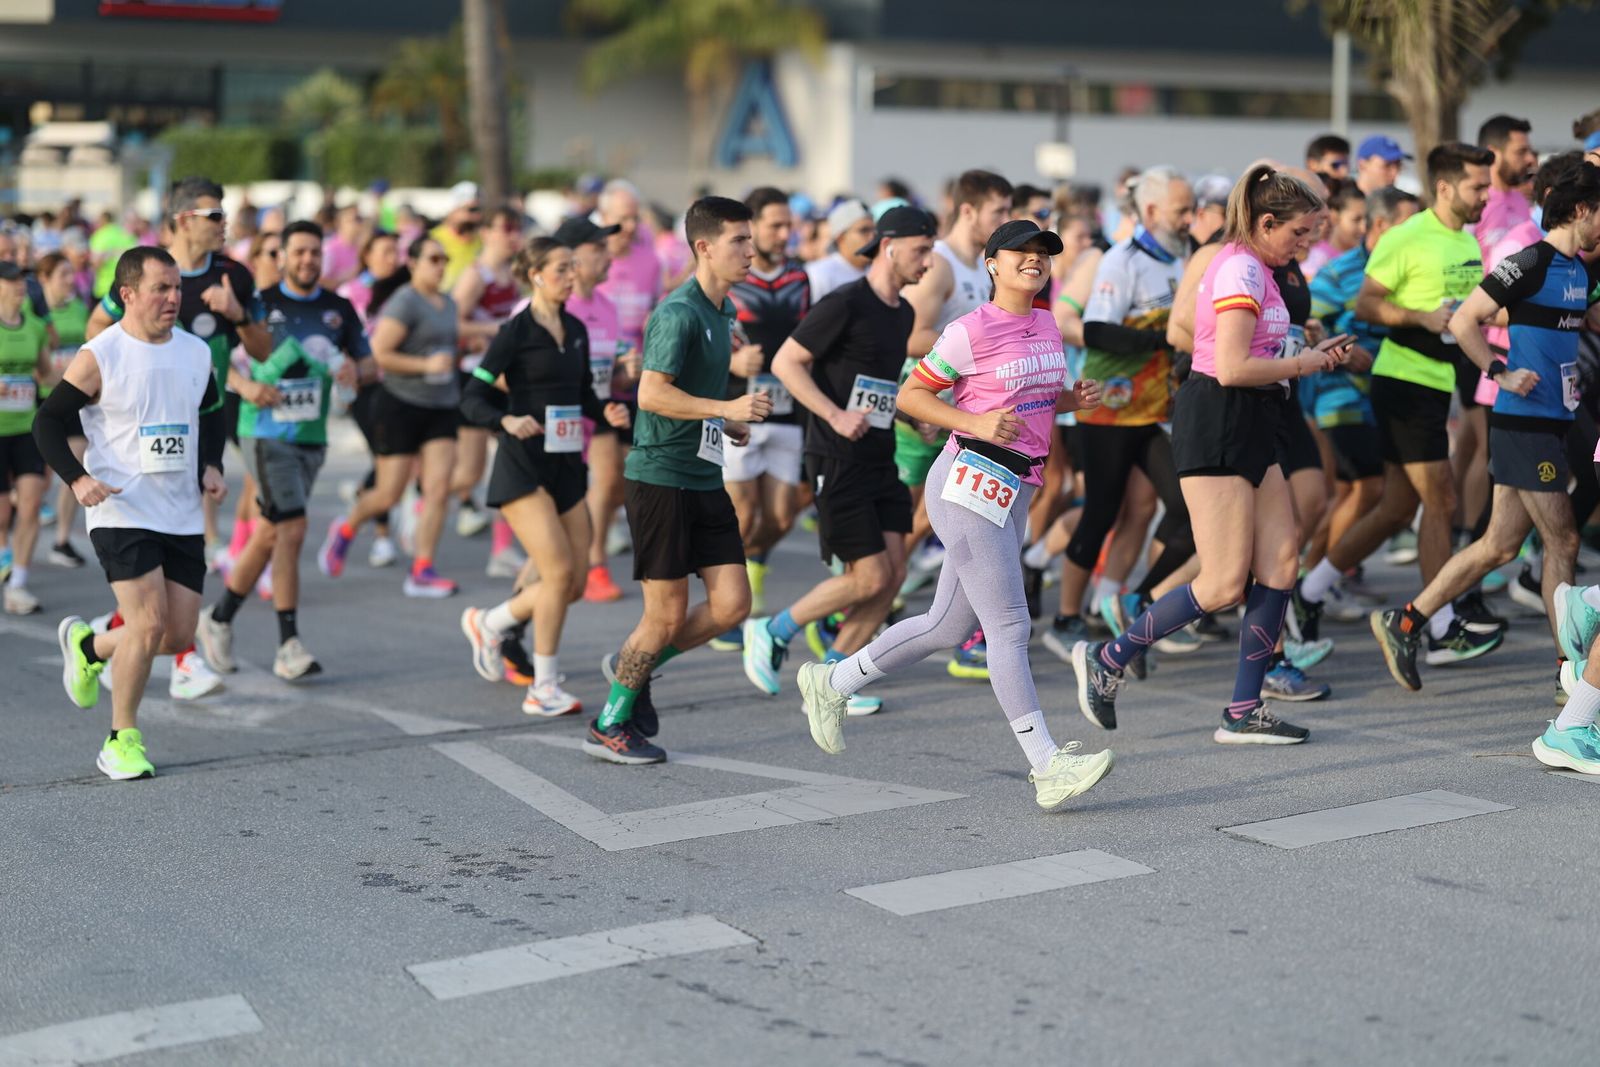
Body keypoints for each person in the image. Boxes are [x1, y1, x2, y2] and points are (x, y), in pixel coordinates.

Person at [794, 218, 1115, 811]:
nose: (1035, 260)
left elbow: (1036, 400)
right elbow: (913, 395)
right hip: (966, 483)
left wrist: (1073, 400)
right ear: (992, 263)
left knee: (945, 626)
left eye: (1044, 253)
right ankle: (1046, 765)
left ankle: (831, 682)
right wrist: (973, 422)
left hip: (1017, 485)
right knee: (1010, 626)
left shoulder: (1045, 323)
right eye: (1021, 252)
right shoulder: (970, 330)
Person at [1072, 165, 1351, 745]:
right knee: (1223, 583)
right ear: (1266, 222)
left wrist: (1309, 348)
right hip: (1219, 419)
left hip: (1256, 421)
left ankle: (1243, 709)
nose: (1306, 247)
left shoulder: (1266, 268)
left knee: (1280, 564)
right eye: (1299, 234)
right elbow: (1230, 366)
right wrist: (1306, 364)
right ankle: (1109, 655)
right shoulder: (1241, 266)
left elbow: (1262, 350)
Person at [1372, 157, 1600, 692]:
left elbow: (1588, 318)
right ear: (1583, 210)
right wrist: (1500, 371)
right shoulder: (1529, 262)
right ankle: (1571, 669)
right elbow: (1462, 318)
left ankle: (1405, 620)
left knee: (1499, 545)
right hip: (1522, 421)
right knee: (1563, 541)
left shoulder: (1579, 271)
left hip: (1553, 419)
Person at [588, 196, 772, 765]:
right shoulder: (679, 312)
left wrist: (724, 422)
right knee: (665, 615)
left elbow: (691, 402)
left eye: (750, 239)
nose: (751, 250)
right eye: (739, 241)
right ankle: (610, 721)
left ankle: (633, 665)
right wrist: (728, 405)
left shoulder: (724, 313)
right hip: (661, 478)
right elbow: (651, 393)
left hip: (703, 474)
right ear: (704, 247)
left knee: (732, 605)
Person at [1295, 144, 1496, 660]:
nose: (1486, 194)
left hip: (1437, 383)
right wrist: (1420, 318)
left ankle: (1309, 592)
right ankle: (1437, 625)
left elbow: (1469, 313)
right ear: (1447, 187)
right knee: (1442, 500)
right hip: (1404, 383)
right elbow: (1365, 302)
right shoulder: (1407, 235)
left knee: (1395, 507)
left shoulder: (1465, 240)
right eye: (1478, 185)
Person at [36, 247, 228, 779]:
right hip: (120, 508)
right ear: (128, 294)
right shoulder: (102, 354)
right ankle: (121, 739)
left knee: (177, 636)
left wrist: (211, 464)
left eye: (177, 288)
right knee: (147, 623)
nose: (173, 298)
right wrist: (78, 479)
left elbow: (213, 413)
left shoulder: (195, 351)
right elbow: (47, 423)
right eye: (160, 289)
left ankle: (90, 646)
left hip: (182, 513)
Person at [744, 206, 937, 710]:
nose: (929, 261)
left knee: (891, 578)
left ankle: (830, 682)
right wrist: (831, 415)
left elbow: (876, 388)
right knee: (868, 576)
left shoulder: (904, 313)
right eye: (922, 249)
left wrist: (912, 417)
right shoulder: (844, 302)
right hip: (835, 455)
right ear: (890, 246)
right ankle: (771, 628)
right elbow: (787, 362)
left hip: (880, 456)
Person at [459, 237, 632, 715]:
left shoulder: (575, 329)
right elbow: (471, 396)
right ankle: (544, 687)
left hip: (565, 463)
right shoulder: (515, 332)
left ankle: (490, 623)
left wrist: (609, 410)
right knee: (556, 573)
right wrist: (505, 420)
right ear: (535, 275)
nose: (572, 276)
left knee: (574, 583)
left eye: (573, 267)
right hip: (522, 464)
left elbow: (581, 395)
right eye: (562, 268)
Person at [196, 220, 370, 681]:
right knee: (292, 528)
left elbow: (368, 364)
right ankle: (288, 645)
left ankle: (218, 619)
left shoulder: (339, 309)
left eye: (315, 252)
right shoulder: (259, 304)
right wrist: (244, 385)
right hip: (263, 432)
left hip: (311, 438)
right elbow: (212, 358)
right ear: (282, 257)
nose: (307, 260)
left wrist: (355, 370)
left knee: (271, 532)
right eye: (298, 252)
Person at [1044, 166, 1195, 657]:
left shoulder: (1187, 254)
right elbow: (1096, 331)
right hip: (1106, 413)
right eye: (1182, 211)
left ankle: (1130, 602)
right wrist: (1161, 339)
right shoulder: (1121, 261)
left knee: (1188, 510)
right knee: (1101, 513)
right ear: (1151, 212)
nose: (1190, 219)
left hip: (1151, 415)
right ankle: (1065, 618)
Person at [87, 177, 271, 556]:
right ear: (184, 220)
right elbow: (96, 326)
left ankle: (219, 554)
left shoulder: (234, 275)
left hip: (212, 408)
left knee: (260, 485)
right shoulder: (146, 270)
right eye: (215, 214)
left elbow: (263, 350)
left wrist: (236, 313)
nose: (224, 223)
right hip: (150, 412)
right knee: (151, 529)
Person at [898, 169, 1013, 678]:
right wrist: (970, 347)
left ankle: (963, 630)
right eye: (998, 212)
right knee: (912, 522)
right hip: (925, 408)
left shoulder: (976, 266)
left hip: (963, 413)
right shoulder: (941, 266)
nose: (1004, 221)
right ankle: (860, 608)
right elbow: (910, 335)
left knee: (939, 523)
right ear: (968, 211)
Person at [317, 235, 462, 597]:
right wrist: (426, 364)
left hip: (442, 404)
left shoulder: (449, 303)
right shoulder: (404, 301)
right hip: (401, 403)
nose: (441, 266)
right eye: (433, 259)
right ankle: (347, 527)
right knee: (388, 494)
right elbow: (380, 353)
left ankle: (422, 569)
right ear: (412, 263)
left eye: (444, 259)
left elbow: (445, 345)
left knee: (439, 489)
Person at [1306, 187, 1421, 588]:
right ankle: (1318, 582)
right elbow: (1304, 324)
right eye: (1409, 225)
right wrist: (1343, 347)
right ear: (1379, 225)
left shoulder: (1412, 270)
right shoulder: (1339, 273)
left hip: (1392, 395)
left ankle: (1313, 580)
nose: (1417, 233)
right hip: (1342, 394)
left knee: (1350, 496)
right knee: (1370, 487)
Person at [717, 187, 810, 633]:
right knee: (744, 512)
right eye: (775, 224)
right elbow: (698, 340)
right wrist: (732, 362)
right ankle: (727, 605)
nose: (784, 232)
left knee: (781, 516)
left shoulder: (800, 277)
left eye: (788, 224)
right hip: (739, 408)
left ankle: (745, 572)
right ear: (751, 228)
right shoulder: (731, 277)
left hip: (787, 409)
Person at [552, 216, 635, 604]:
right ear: (571, 256)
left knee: (609, 481)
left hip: (598, 411)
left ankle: (595, 562)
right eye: (598, 248)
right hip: (556, 418)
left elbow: (613, 375)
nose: (608, 256)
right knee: (558, 500)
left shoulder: (606, 305)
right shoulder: (550, 305)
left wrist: (625, 371)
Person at [591, 180, 663, 574]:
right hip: (596, 382)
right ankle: (594, 561)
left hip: (636, 381)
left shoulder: (649, 259)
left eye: (635, 219)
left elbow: (654, 311)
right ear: (603, 219)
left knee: (622, 481)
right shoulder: (591, 259)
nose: (630, 228)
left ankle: (593, 545)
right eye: (621, 220)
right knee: (604, 479)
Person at [452, 205, 526, 543]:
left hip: (502, 375)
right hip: (474, 376)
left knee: (514, 459)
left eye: (516, 228)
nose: (513, 235)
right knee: (471, 469)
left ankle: (503, 548)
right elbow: (452, 322)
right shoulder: (476, 275)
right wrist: (494, 329)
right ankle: (424, 493)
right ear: (486, 233)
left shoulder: (511, 273)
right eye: (506, 228)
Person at [32, 252, 92, 571]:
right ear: (44, 279)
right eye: (63, 275)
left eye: (72, 274)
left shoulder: (81, 308)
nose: (71, 280)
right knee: (36, 480)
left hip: (70, 398)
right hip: (39, 399)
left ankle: (62, 539)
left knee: (76, 462)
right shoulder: (33, 313)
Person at [0, 261, 50, 614]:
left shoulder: (34, 327)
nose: (20, 286)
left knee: (31, 502)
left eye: (22, 280)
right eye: (12, 280)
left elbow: (46, 373)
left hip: (26, 427)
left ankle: (17, 584)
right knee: (2, 514)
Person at [805, 199, 875, 301]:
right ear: (841, 237)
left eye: (874, 230)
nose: (872, 237)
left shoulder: (877, 271)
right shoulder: (819, 274)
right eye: (864, 230)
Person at [1301, 180, 1365, 280]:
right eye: (1356, 220)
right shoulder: (1318, 258)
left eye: (1367, 220)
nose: (1363, 228)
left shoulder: (1365, 255)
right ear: (1335, 217)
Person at [430, 182, 482, 290]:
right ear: (454, 210)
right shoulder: (433, 239)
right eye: (471, 210)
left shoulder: (483, 240)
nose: (477, 216)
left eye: (479, 209)